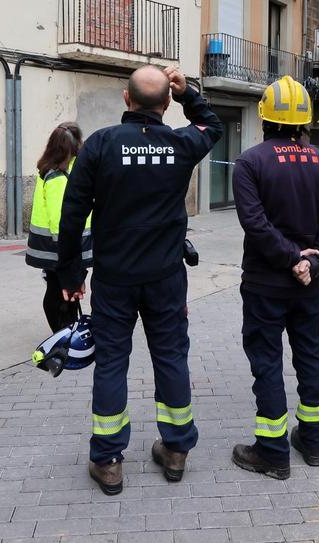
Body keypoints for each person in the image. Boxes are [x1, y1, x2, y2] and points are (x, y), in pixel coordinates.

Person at [55, 65, 221, 495]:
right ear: (165, 103)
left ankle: (108, 460)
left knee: (112, 361)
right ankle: (176, 450)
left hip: (115, 278)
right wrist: (189, 94)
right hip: (166, 277)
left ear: (126, 99)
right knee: (171, 358)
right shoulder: (181, 143)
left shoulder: (101, 144)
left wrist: (71, 273)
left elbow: (73, 212)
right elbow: (212, 125)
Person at [229, 76, 319, 479]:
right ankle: (312, 442)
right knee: (311, 358)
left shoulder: (250, 162)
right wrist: (314, 262)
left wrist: (290, 258)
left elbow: (255, 224)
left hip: (265, 283)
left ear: (264, 117)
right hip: (308, 284)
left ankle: (272, 452)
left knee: (267, 363)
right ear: (304, 121)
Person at [26, 122, 88, 332]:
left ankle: (67, 329)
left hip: (55, 247)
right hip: (60, 247)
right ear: (68, 149)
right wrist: (69, 255)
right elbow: (60, 221)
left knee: (64, 290)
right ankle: (61, 333)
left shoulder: (53, 169)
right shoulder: (57, 178)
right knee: (59, 291)